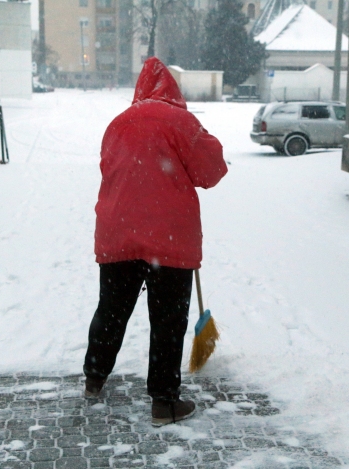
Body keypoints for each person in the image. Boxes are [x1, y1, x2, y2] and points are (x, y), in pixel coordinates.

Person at [83, 57, 228, 426]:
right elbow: (212, 172)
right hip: (170, 240)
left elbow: (110, 168)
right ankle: (164, 403)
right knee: (167, 322)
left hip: (118, 233)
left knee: (111, 310)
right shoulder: (181, 122)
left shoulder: (117, 123)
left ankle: (94, 379)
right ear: (173, 91)